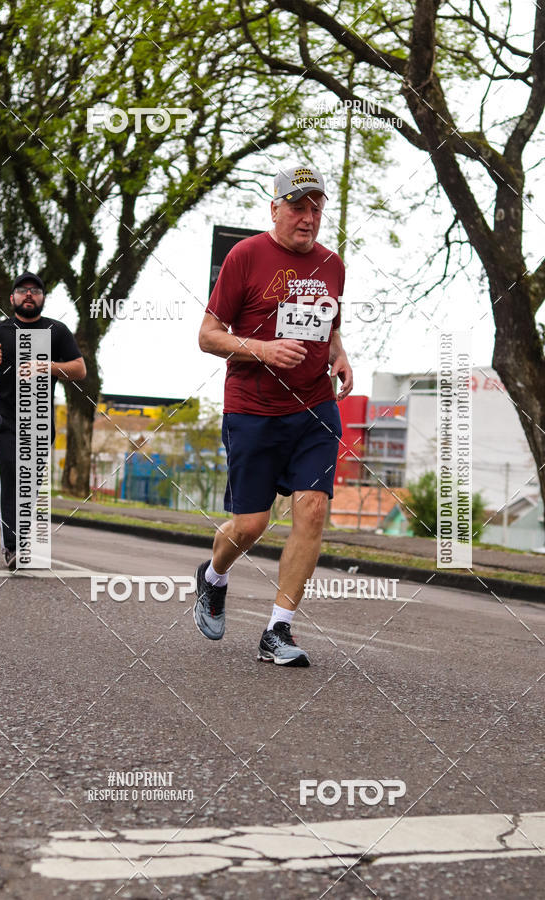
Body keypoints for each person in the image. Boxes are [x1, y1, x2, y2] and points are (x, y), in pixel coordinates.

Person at [194, 165, 353, 667]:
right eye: (297, 207)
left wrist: (339, 354)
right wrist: (263, 349)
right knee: (251, 524)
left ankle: (277, 630)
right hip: (254, 409)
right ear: (275, 209)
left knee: (313, 510)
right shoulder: (246, 256)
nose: (308, 218)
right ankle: (214, 576)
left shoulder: (333, 264)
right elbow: (207, 336)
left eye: (316, 208)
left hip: (313, 408)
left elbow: (329, 325)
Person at [0, 272, 86, 569]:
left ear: (43, 298)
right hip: (6, 417)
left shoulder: (57, 331)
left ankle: (19, 539)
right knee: (10, 475)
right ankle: (13, 548)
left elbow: (79, 369)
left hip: (40, 420)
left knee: (30, 483)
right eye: (23, 290)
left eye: (35, 290)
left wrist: (48, 367)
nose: (29, 295)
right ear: (13, 298)